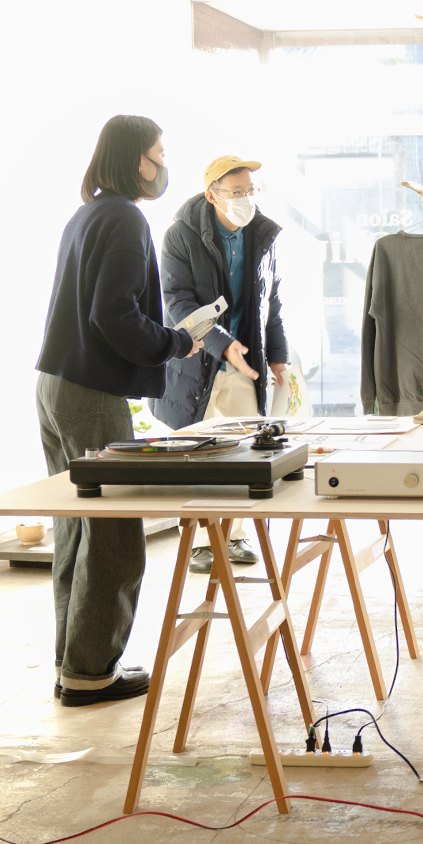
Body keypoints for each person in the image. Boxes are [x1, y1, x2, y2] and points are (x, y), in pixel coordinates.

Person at [36, 115, 204, 706]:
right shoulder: (126, 219)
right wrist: (176, 342)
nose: (163, 165)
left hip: (55, 386)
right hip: (90, 393)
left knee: (76, 530)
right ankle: (90, 673)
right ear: (137, 159)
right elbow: (115, 315)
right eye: (159, 153)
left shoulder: (86, 215)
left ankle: (74, 664)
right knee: (113, 536)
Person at [150, 154, 277, 575]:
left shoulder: (262, 234)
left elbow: (271, 302)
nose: (246, 199)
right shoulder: (180, 236)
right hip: (196, 362)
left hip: (244, 362)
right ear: (212, 195)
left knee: (246, 452)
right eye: (236, 192)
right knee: (197, 456)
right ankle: (200, 542)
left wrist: (278, 355)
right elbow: (178, 302)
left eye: (250, 191)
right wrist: (222, 344)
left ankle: (236, 534)